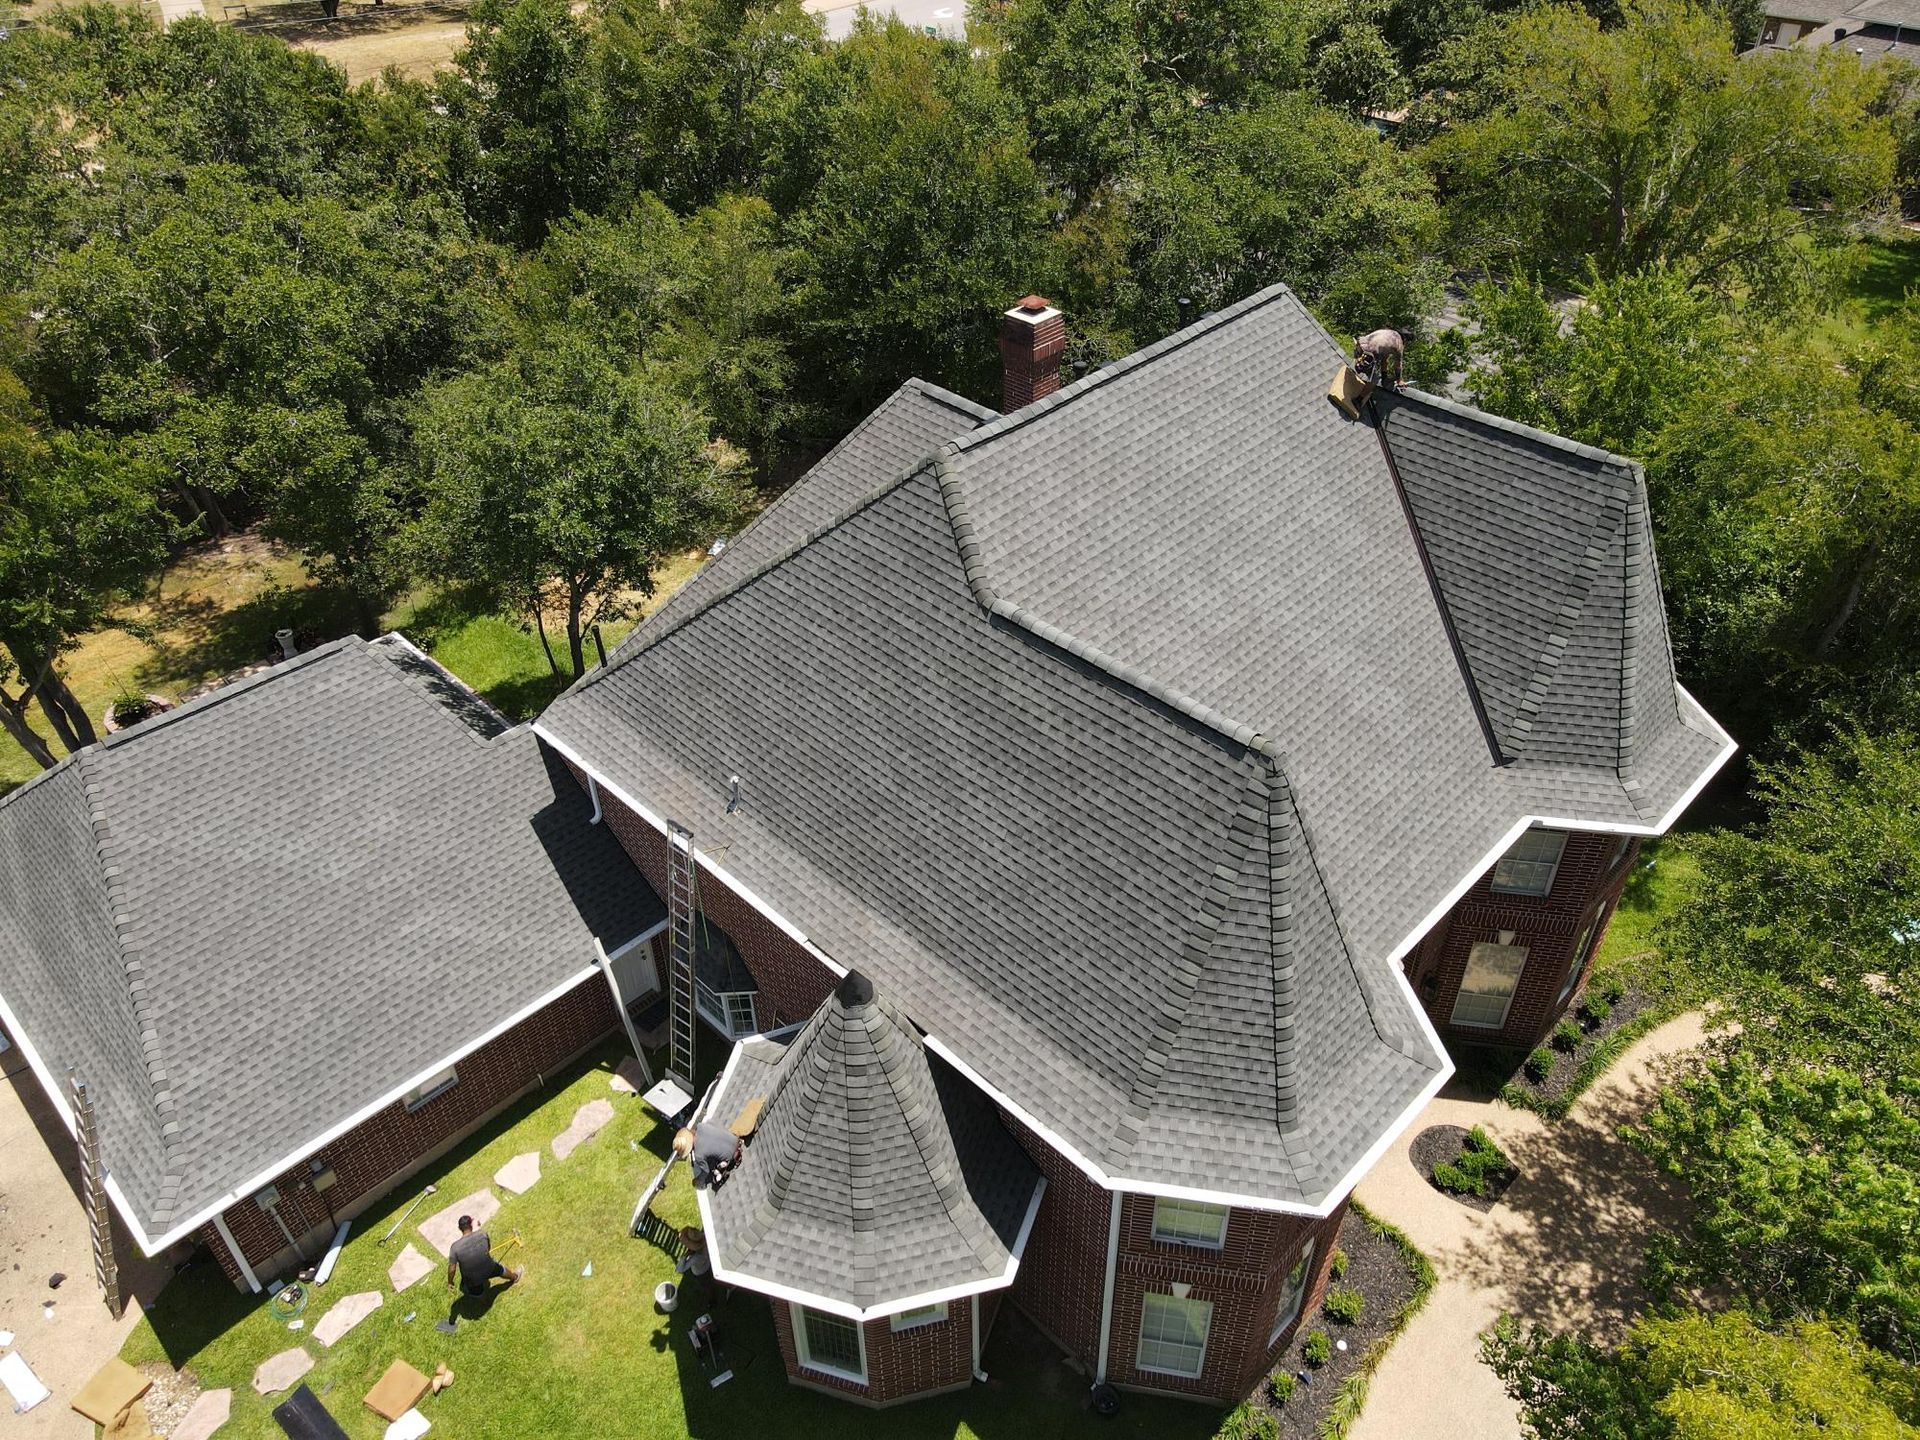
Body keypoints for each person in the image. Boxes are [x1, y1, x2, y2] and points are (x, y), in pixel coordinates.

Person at [446, 1216, 522, 1298]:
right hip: (490, 1268)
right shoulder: (483, 1234)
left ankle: (479, 1296)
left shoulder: (455, 1247)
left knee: (474, 1292)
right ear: (471, 1225)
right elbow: (488, 1249)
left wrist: (450, 1282)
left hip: (472, 1279)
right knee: (500, 1269)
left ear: (459, 1228)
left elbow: (452, 1269)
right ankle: (515, 1277)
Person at [673, 1121, 742, 1190]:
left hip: (731, 1155)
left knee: (711, 1167)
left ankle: (720, 1169)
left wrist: (698, 1180)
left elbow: (706, 1171)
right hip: (735, 1140)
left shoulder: (698, 1155)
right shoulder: (701, 1126)